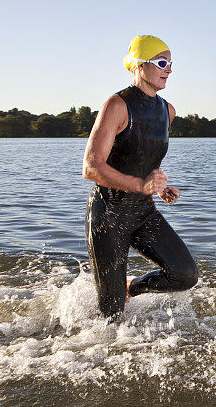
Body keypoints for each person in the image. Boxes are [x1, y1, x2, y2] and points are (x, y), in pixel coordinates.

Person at [82, 35, 198, 321]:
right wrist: (140, 185)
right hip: (109, 215)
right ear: (139, 65)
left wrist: (158, 187)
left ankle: (131, 287)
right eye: (161, 62)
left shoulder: (167, 111)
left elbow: (139, 158)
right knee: (110, 316)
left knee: (185, 273)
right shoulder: (117, 105)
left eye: (171, 63)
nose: (169, 69)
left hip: (143, 212)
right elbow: (92, 167)